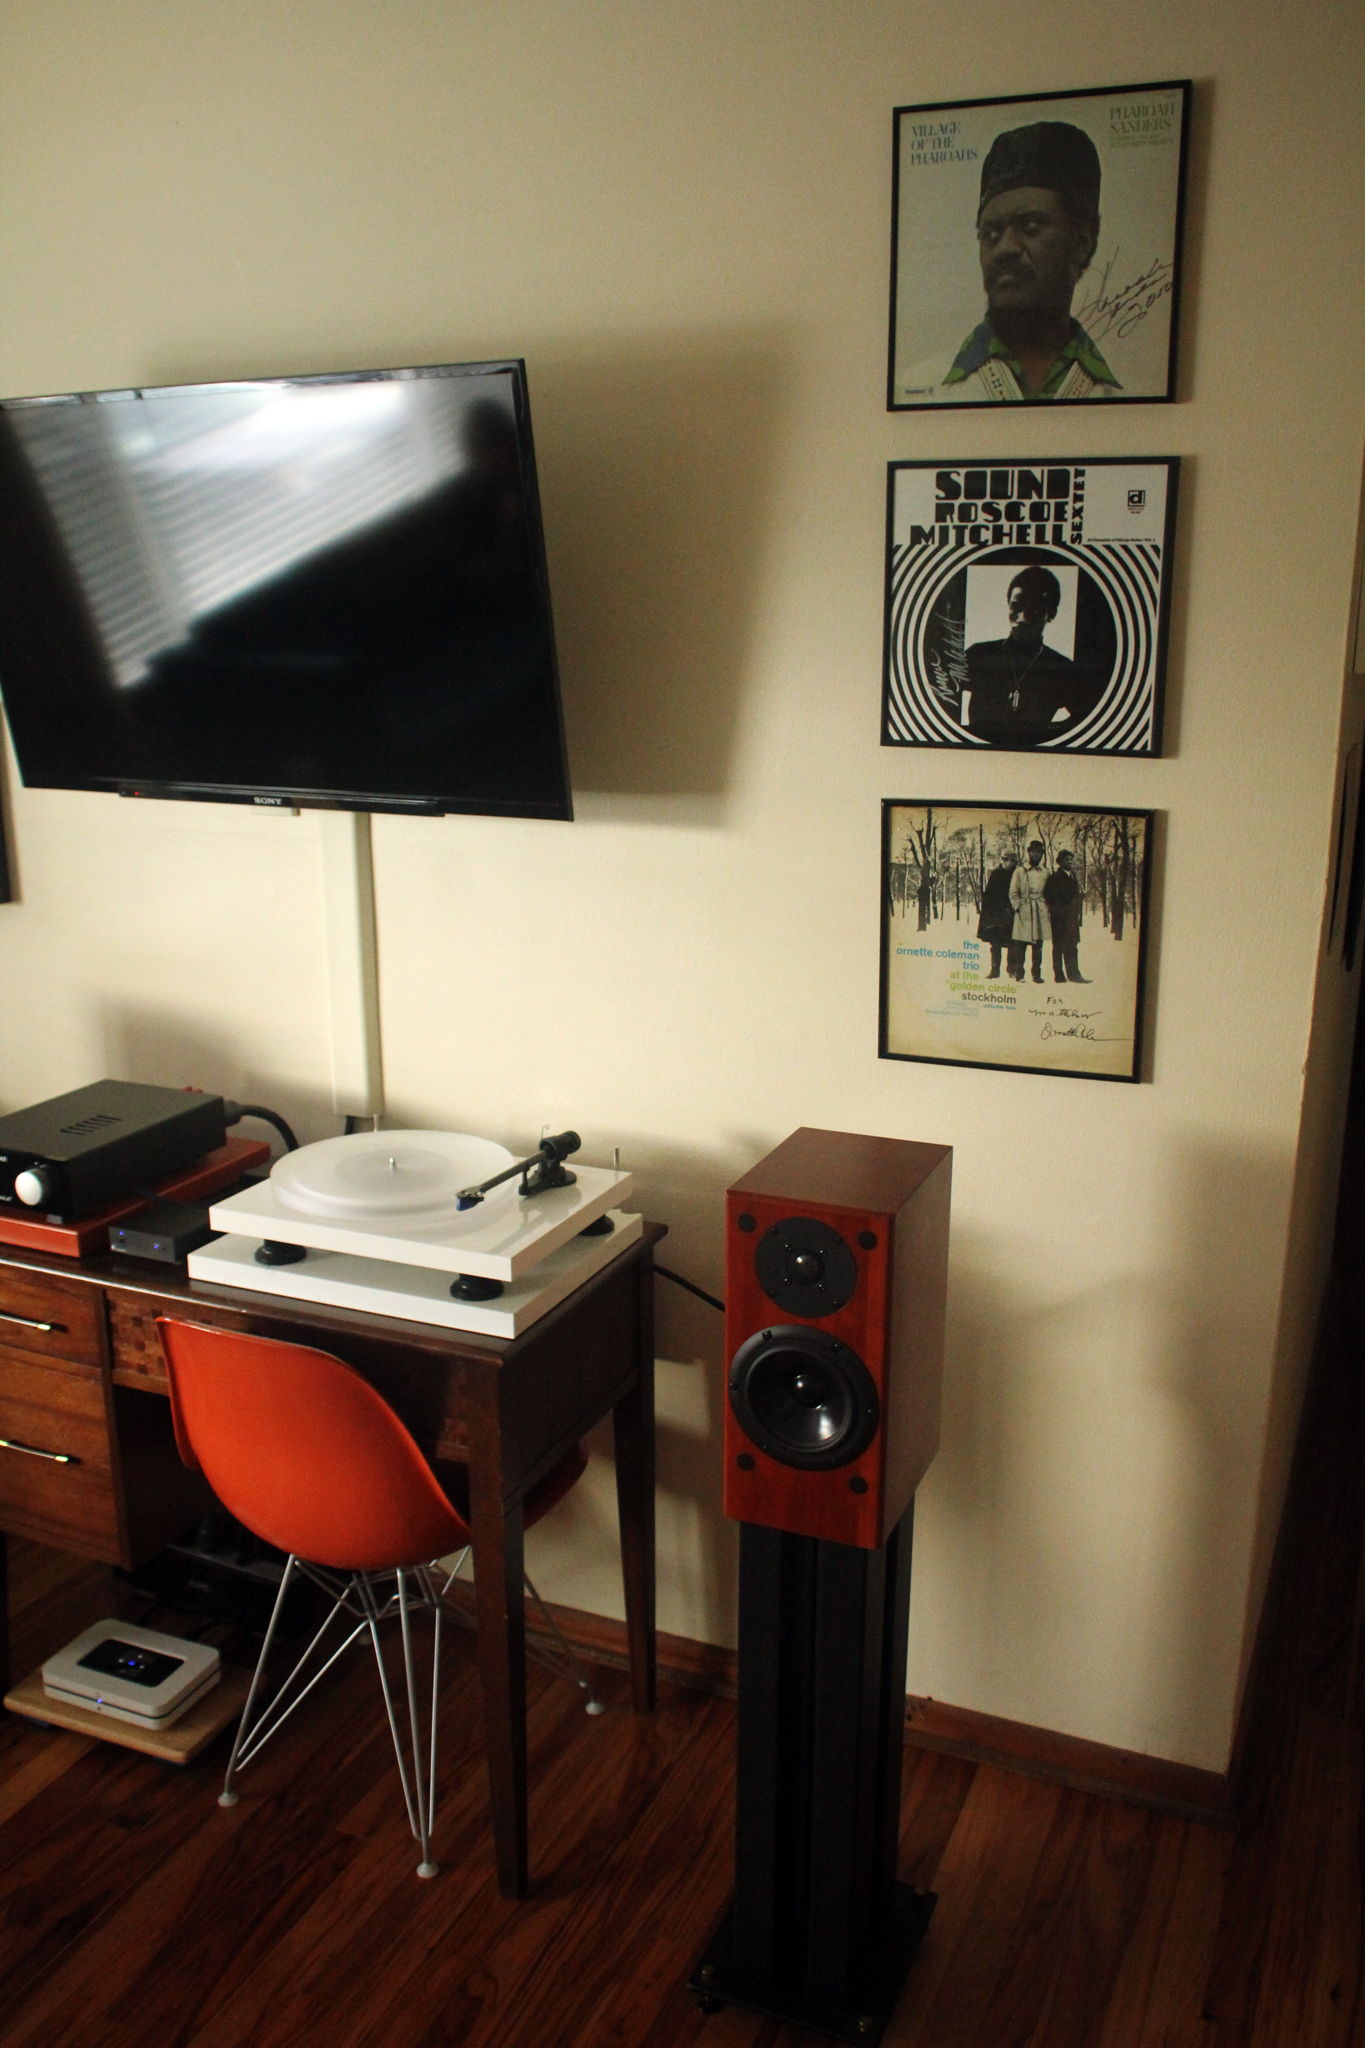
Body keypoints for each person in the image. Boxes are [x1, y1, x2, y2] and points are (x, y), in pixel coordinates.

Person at [935, 122, 1120, 402]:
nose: (1005, 249)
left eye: (1030, 226)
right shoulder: (925, 385)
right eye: (991, 234)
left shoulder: (1123, 392)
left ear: (1081, 243)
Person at [964, 567, 1094, 746]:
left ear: (1052, 614)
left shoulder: (1062, 669)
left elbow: (1087, 718)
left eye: (1035, 609)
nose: (1023, 617)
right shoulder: (978, 654)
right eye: (1016, 606)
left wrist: (1042, 736)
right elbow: (940, 697)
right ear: (1008, 604)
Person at [1042, 848, 1090, 983]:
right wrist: (1060, 910)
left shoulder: (1073, 876)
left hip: (1072, 919)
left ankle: (1074, 974)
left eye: (1071, 859)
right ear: (1060, 862)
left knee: (1072, 946)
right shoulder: (1054, 878)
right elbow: (1049, 897)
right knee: (1058, 947)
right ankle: (1059, 975)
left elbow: (1075, 898)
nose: (1069, 862)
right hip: (1059, 919)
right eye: (1066, 859)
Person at [1008, 840, 1050, 982]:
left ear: (1042, 854)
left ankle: (1036, 975)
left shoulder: (1045, 872)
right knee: (1020, 945)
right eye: (1033, 852)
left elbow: (1049, 893)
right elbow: (1013, 892)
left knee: (1038, 945)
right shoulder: (1020, 871)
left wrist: (1045, 907)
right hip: (1024, 911)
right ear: (1029, 853)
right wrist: (1018, 906)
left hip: (1039, 910)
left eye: (1038, 852)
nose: (1036, 855)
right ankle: (1020, 974)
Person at [976, 858, 1016, 978]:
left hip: (1011, 913)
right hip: (996, 915)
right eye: (1007, 860)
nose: (1009, 863)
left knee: (1012, 944)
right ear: (1003, 861)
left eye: (1012, 861)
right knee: (995, 944)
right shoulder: (996, 874)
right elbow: (989, 894)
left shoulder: (1017, 874)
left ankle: (1011, 969)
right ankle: (995, 969)